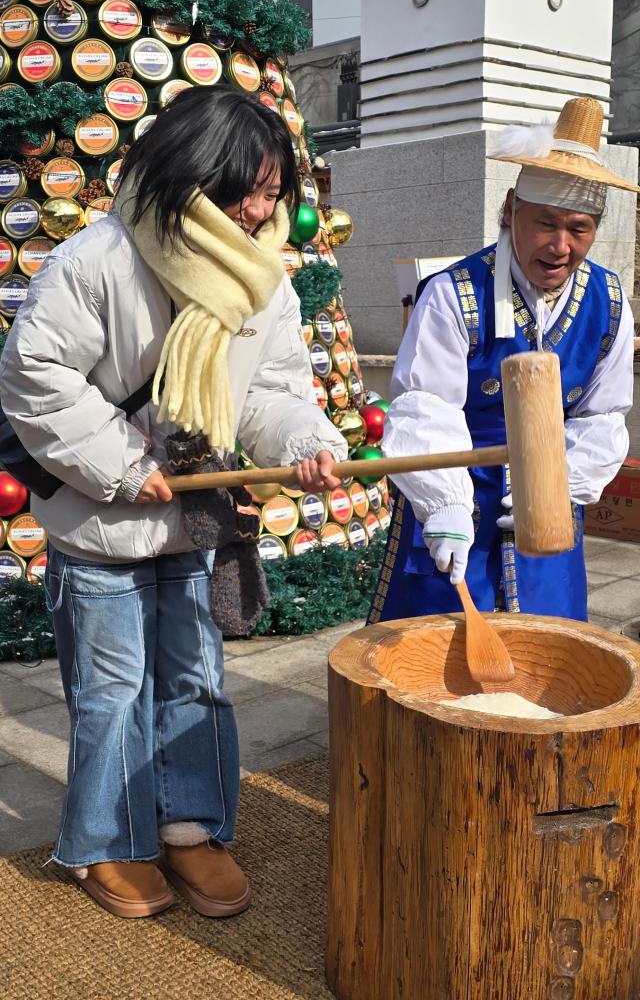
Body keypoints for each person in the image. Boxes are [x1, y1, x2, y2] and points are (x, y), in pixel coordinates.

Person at [0, 85, 347, 919]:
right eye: (247, 187)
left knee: (195, 678)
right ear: (194, 172)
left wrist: (304, 445)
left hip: (194, 521)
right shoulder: (101, 259)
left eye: (273, 192)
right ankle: (108, 842)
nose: (261, 210)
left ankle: (190, 826)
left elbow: (267, 392)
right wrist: (123, 464)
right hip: (100, 529)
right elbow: (32, 374)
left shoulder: (263, 280)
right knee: (112, 688)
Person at [369, 96, 638, 625]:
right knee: (434, 651)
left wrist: (558, 484)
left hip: (550, 508)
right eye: (545, 223)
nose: (561, 246)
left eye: (579, 228)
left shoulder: (609, 301)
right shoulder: (452, 294)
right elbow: (426, 405)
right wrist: (443, 501)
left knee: (549, 648)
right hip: (454, 499)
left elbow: (602, 416)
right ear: (512, 209)